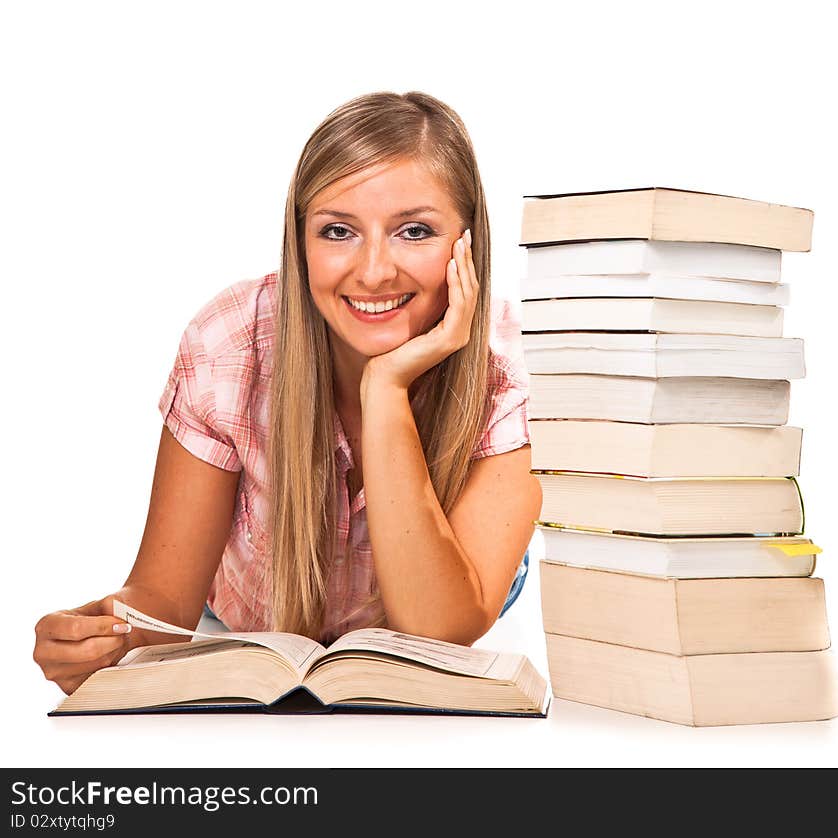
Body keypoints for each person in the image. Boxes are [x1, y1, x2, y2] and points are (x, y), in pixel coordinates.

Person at [33, 90, 542, 696]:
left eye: (413, 230)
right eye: (338, 230)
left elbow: (435, 635)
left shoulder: (513, 366)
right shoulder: (231, 343)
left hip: (454, 589)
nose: (375, 271)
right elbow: (165, 602)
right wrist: (102, 637)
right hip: (252, 611)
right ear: (300, 243)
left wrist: (386, 387)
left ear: (468, 242)